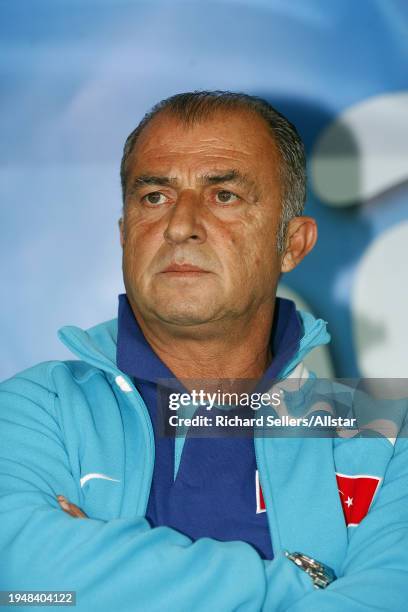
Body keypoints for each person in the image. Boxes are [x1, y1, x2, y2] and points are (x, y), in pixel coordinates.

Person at [0, 91, 407, 611]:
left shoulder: (388, 436)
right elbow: (23, 580)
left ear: (293, 244)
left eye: (224, 195)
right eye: (154, 197)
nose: (179, 225)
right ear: (125, 235)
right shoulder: (32, 409)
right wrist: (310, 586)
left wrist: (102, 583)